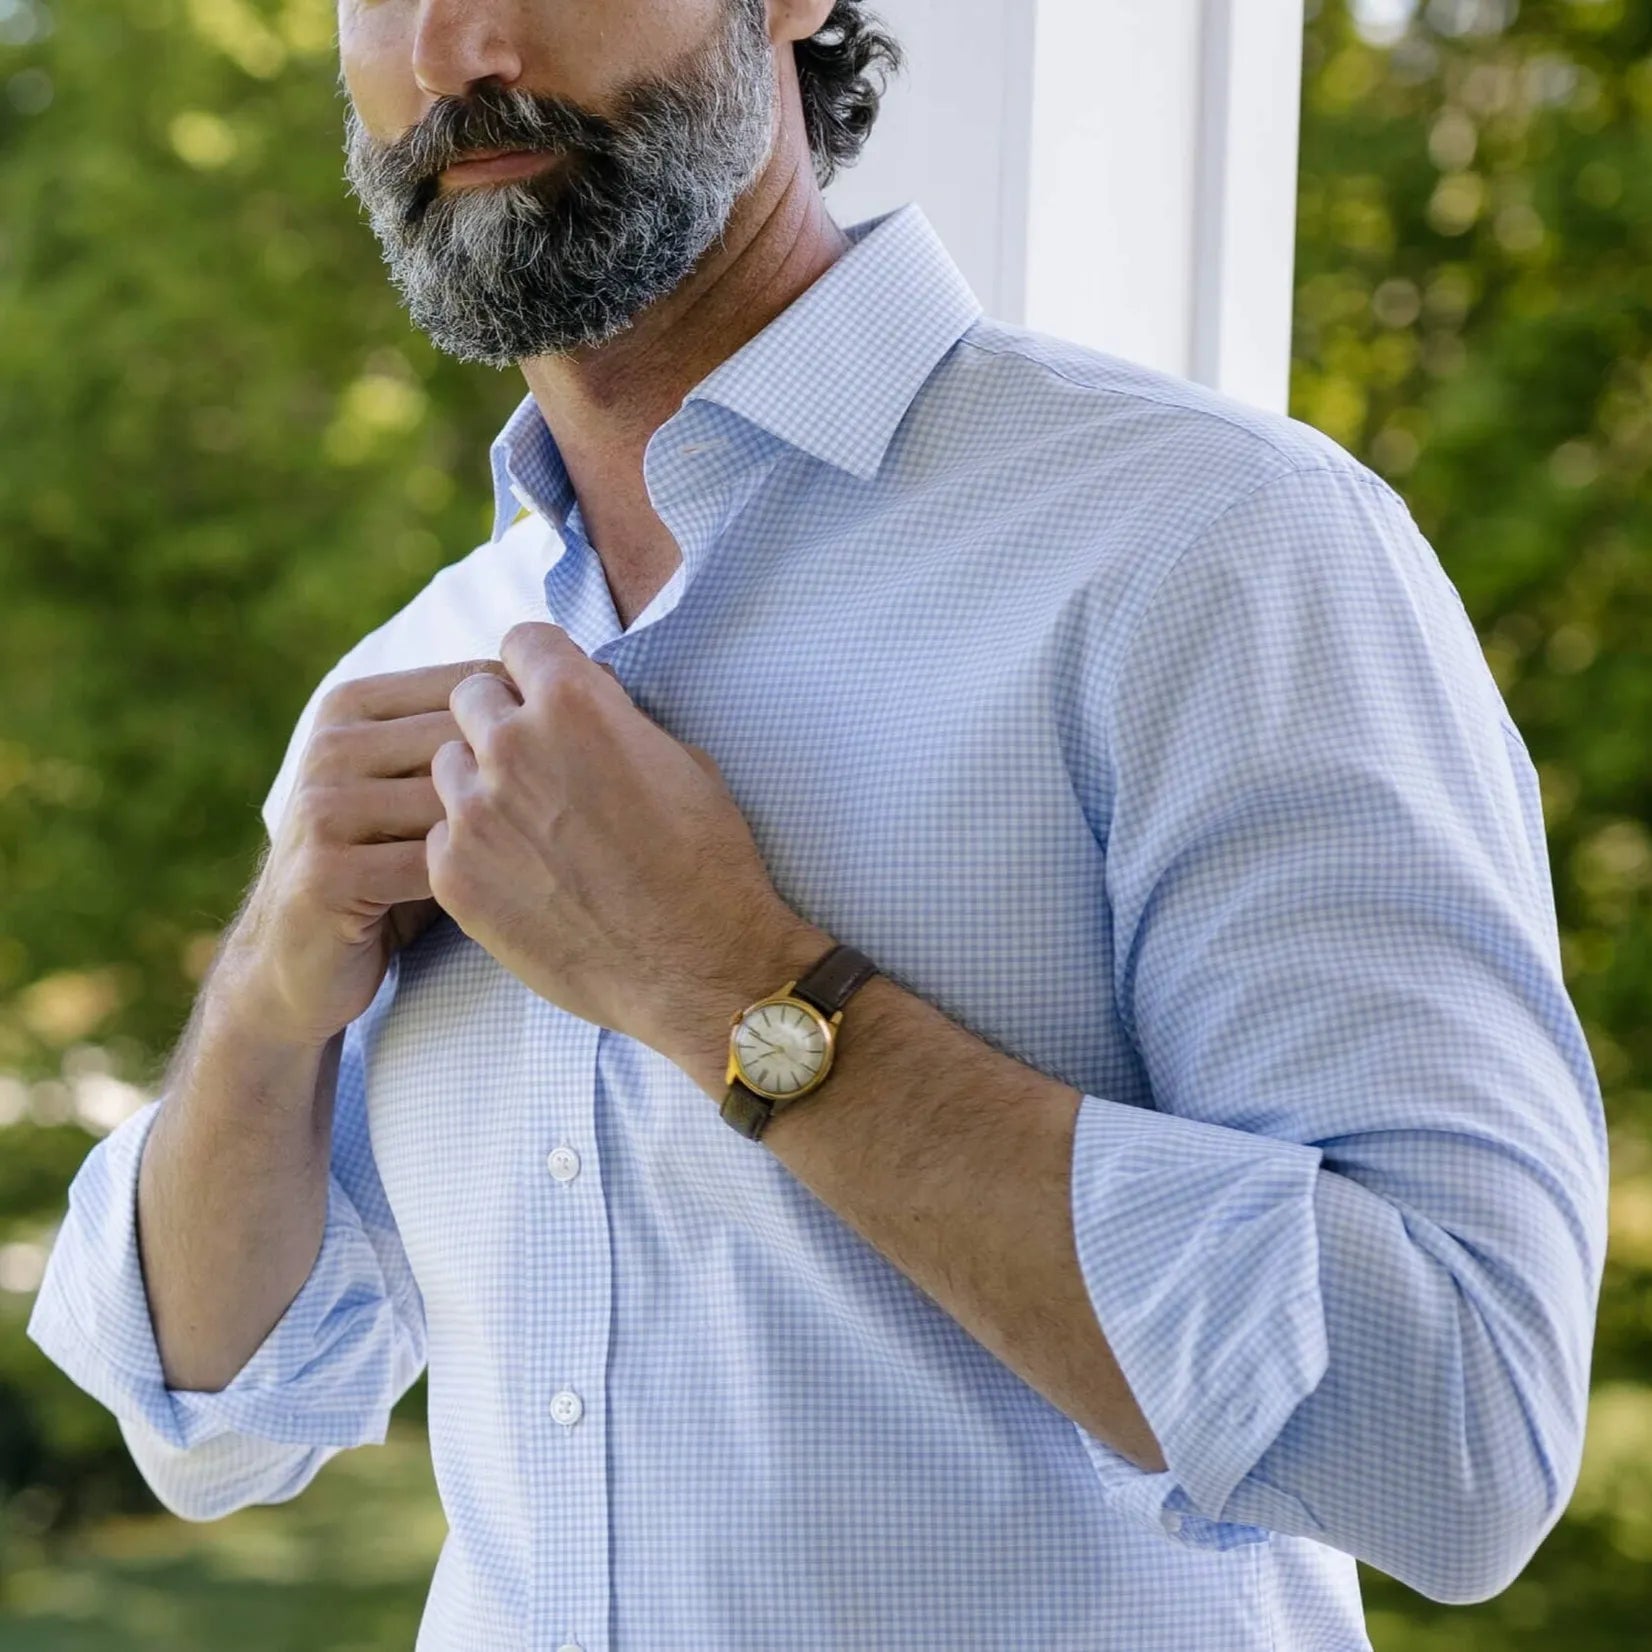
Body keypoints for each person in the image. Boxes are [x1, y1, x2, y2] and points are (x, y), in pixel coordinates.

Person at [28, 3, 1608, 1648]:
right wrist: (266, 999)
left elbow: (1463, 1434)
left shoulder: (1217, 547)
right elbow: (217, 1416)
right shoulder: (416, 671)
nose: (452, 45)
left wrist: (730, 985)